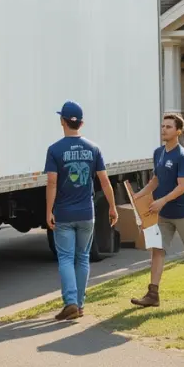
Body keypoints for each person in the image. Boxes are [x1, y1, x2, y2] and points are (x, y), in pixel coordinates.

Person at [130, 113, 184, 309]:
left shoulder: (182, 156)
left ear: (179, 131)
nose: (164, 129)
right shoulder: (158, 153)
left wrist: (161, 201)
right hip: (164, 215)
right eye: (163, 126)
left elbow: (182, 187)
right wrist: (139, 195)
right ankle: (152, 294)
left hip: (183, 214)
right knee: (158, 250)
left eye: (169, 127)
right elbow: (155, 180)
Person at [45, 100, 119, 320]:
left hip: (64, 213)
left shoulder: (55, 150)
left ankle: (70, 302)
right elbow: (104, 181)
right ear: (81, 123)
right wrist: (113, 207)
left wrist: (49, 211)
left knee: (66, 258)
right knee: (83, 257)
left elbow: (52, 183)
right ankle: (79, 304)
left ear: (62, 121)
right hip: (87, 213)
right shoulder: (93, 149)